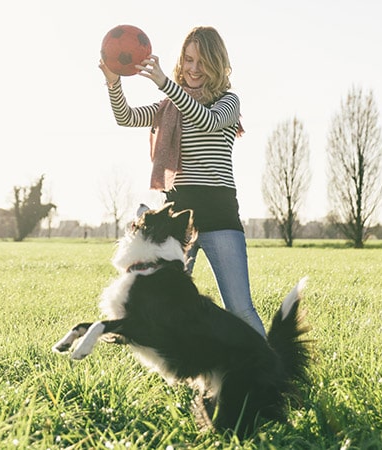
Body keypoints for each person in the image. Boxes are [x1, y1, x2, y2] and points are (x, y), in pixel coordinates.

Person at [99, 26, 266, 336]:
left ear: (217, 64)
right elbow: (127, 117)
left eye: (202, 62)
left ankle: (275, 374)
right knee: (165, 306)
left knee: (240, 309)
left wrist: (164, 83)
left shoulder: (229, 103)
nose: (193, 69)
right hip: (176, 225)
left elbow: (208, 120)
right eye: (188, 60)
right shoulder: (170, 108)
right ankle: (181, 372)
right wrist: (113, 83)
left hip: (220, 219)